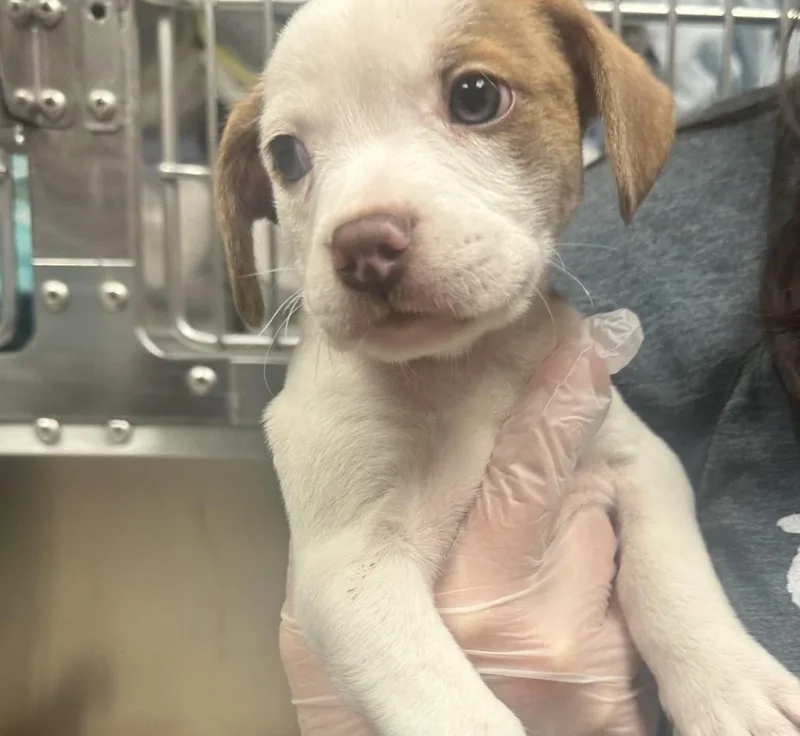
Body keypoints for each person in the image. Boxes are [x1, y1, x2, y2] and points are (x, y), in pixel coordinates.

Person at [278, 78, 800, 734]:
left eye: (472, 101)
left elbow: (637, 466)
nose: (365, 230)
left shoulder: (579, 278)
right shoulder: (633, 254)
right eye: (291, 158)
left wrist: (705, 658)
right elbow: (345, 579)